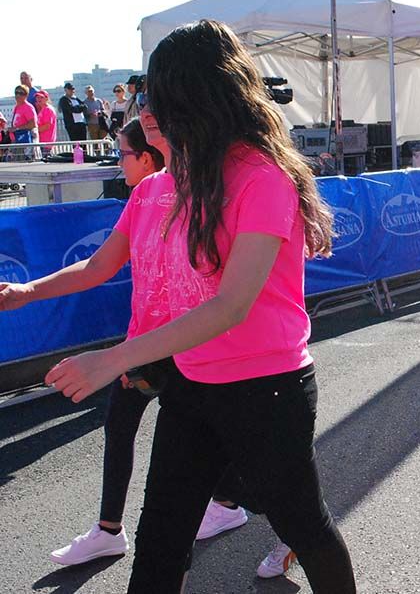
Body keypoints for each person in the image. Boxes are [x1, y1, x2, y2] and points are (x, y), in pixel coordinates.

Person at [41, 20, 356, 593]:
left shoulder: (262, 178)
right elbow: (106, 268)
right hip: (192, 383)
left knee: (305, 529)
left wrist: (113, 359)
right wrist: (22, 294)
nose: (146, 110)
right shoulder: (174, 180)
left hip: (268, 389)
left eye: (157, 97)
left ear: (195, 97)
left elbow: (232, 306)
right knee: (160, 542)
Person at [0, 119, 255, 568]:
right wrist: (28, 291)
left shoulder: (218, 185)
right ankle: (110, 531)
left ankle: (268, 515)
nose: (119, 163)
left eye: (123, 153)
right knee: (124, 428)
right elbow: (98, 265)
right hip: (143, 346)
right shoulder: (145, 193)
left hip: (198, 345)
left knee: (233, 442)